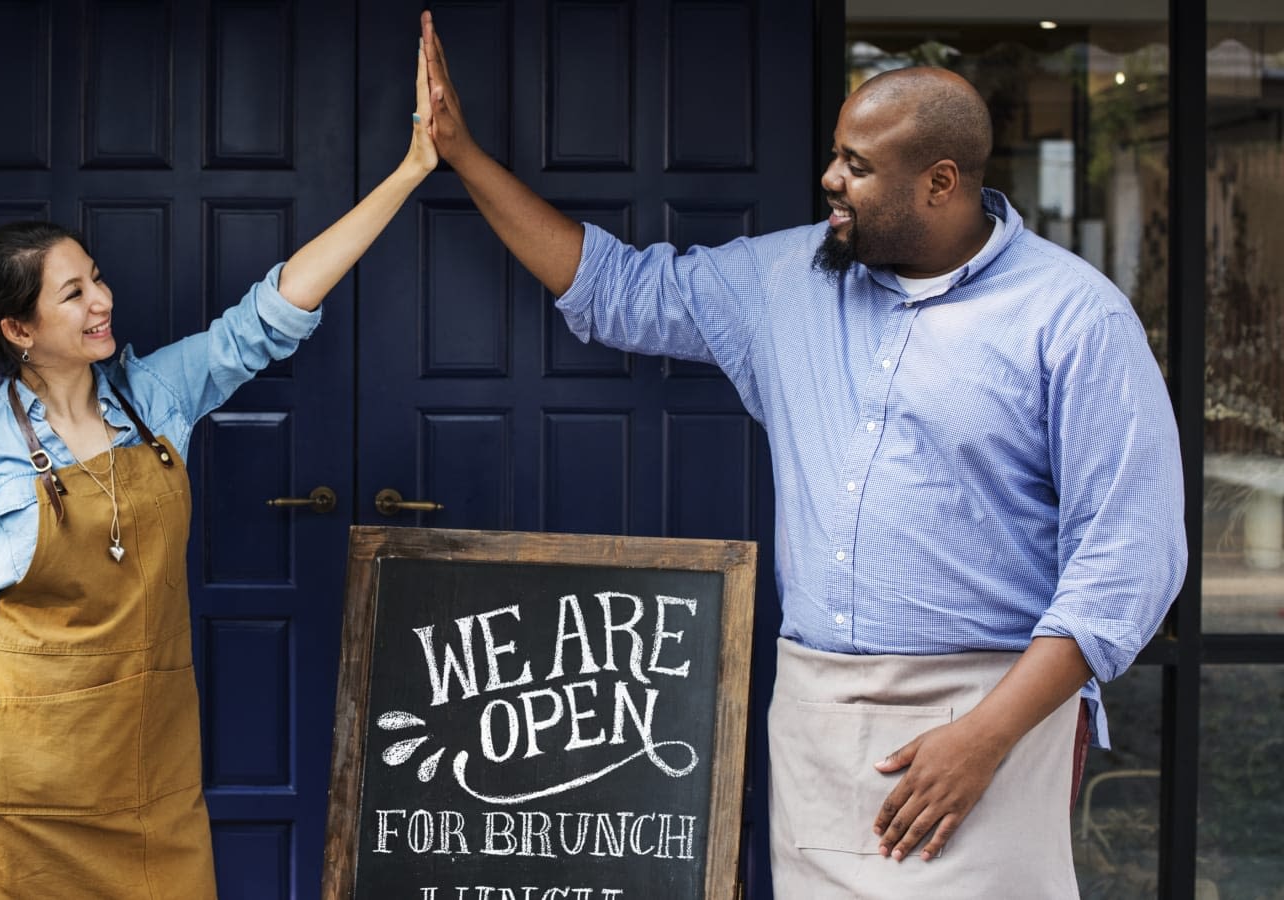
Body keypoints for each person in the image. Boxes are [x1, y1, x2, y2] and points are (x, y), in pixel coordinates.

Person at [418, 11, 1186, 898]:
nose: (830, 178)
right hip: (816, 711)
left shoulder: (1074, 318)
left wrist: (986, 735)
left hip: (993, 712)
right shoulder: (787, 280)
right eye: (836, 154)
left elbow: (1129, 561)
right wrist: (462, 152)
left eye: (857, 166)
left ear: (940, 183)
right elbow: (619, 290)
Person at [0, 43, 438, 899]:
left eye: (98, 278)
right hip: (17, 794)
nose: (101, 299)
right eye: (72, 293)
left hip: (147, 772)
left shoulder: (153, 394)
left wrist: (411, 170)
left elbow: (271, 314)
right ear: (17, 329)